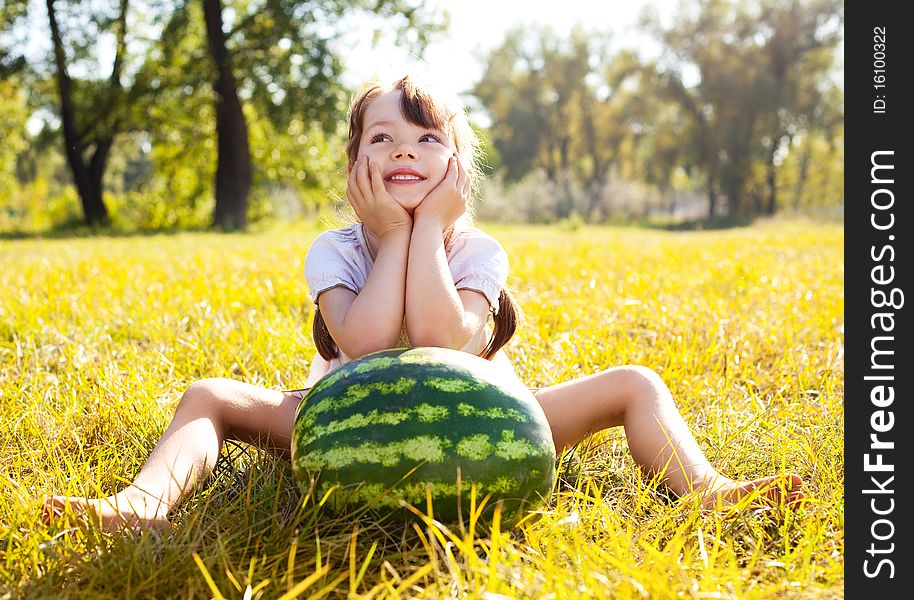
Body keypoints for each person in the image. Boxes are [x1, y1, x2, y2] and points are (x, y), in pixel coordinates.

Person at [42, 75, 804, 532]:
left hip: (493, 417)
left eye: (424, 139)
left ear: (457, 166)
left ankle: (708, 493)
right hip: (334, 413)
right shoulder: (335, 250)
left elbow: (446, 339)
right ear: (354, 163)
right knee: (209, 395)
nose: (403, 151)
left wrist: (430, 230)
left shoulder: (478, 251)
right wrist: (389, 235)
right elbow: (369, 348)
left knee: (635, 382)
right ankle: (144, 501)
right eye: (381, 139)